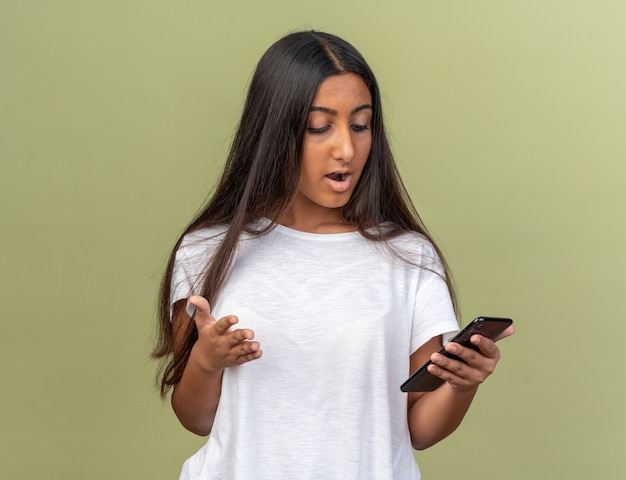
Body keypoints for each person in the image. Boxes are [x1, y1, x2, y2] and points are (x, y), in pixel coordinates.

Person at [152, 30, 514, 480]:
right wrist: (206, 360)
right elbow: (197, 419)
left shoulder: (409, 257)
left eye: (360, 125)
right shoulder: (208, 251)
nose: (346, 148)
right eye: (320, 127)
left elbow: (418, 427)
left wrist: (463, 386)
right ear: (275, 131)